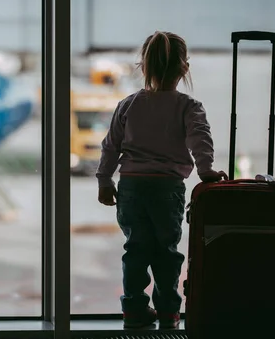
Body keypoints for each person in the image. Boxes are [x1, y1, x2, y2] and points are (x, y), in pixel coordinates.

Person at [96, 31, 228, 330]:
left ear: (143, 67)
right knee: (166, 251)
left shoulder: (128, 104)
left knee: (136, 249)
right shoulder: (188, 106)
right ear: (185, 68)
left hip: (130, 187)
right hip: (167, 188)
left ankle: (134, 310)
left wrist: (105, 179)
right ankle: (169, 311)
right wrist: (206, 170)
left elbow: (111, 145)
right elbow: (200, 141)